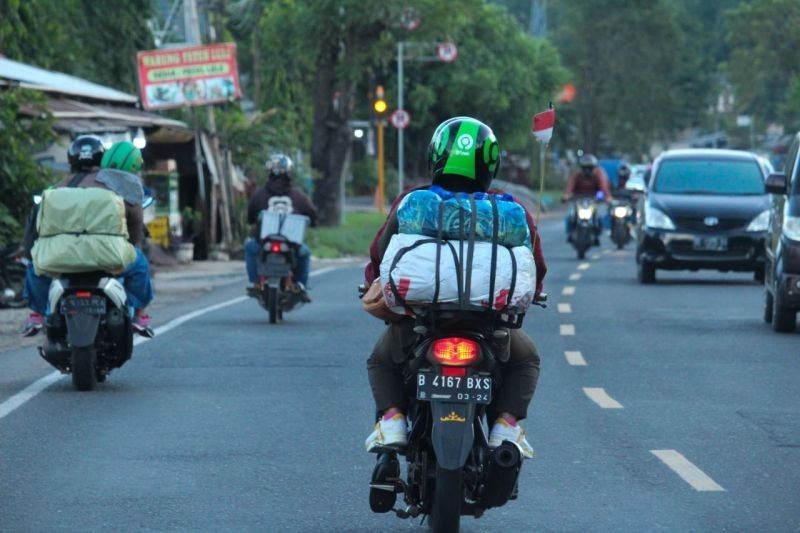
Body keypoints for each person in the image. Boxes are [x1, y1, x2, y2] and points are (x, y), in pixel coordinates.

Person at [363, 117, 547, 459]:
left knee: (382, 360)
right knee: (526, 359)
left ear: (435, 156)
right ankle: (505, 427)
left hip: (420, 323)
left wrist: (373, 283)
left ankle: (392, 421)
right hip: (489, 328)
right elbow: (536, 268)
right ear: (490, 164)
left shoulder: (413, 202)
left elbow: (380, 256)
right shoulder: (511, 210)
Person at [22, 137, 154, 337]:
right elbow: (135, 225)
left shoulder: (56, 189)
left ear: (70, 160)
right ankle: (141, 316)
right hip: (107, 257)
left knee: (36, 265)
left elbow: (38, 229)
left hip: (61, 257)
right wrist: (133, 243)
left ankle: (37, 315)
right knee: (140, 263)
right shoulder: (121, 185)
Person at [245, 154, 318, 298]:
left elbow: (250, 214)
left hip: (264, 241)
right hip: (291, 243)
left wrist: (253, 221)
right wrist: (314, 222)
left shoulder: (259, 193)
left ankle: (254, 282)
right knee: (305, 254)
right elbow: (312, 213)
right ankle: (301, 286)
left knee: (249, 247)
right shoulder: (298, 195)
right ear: (290, 173)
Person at [562, 153, 612, 242]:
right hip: (578, 199)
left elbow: (603, 188)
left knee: (599, 216)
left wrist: (607, 197)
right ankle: (570, 234)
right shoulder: (577, 174)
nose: (587, 170)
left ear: (594, 167)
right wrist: (566, 196)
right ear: (581, 168)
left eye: (590, 168)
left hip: (593, 199)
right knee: (570, 216)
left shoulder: (598, 173)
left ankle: (597, 234)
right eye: (585, 168)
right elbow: (570, 187)